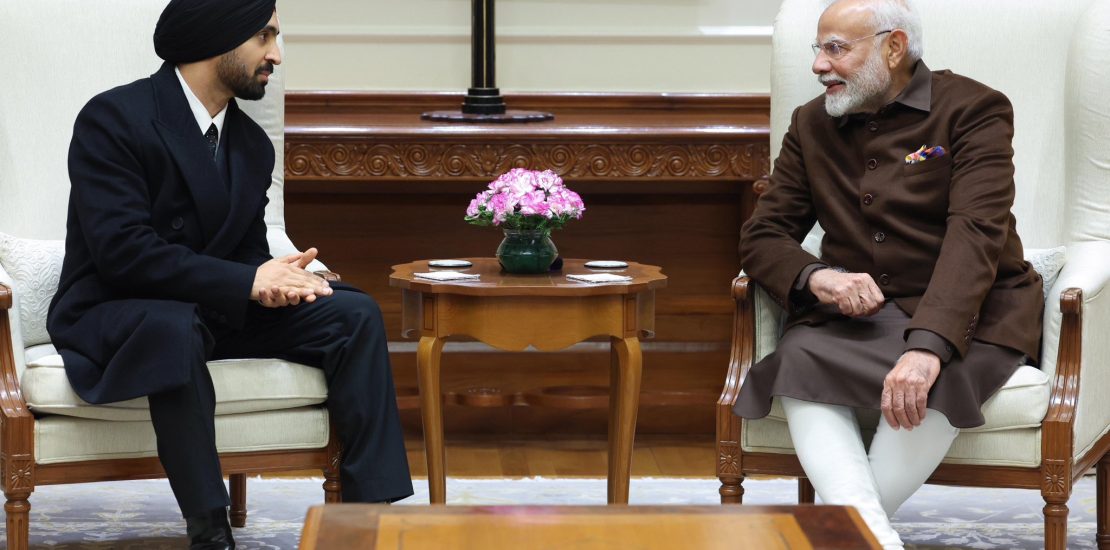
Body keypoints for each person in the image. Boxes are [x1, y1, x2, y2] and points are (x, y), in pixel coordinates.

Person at [46, 1, 413, 547]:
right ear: (220, 37)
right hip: (115, 308)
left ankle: (365, 519)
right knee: (173, 327)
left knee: (352, 311)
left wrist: (278, 274)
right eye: (265, 37)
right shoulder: (113, 118)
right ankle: (210, 527)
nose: (276, 56)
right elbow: (123, 252)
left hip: (209, 308)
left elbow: (242, 252)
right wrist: (246, 280)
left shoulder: (250, 144)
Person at [732, 0, 1043, 548]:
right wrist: (816, 278)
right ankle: (868, 538)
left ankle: (847, 537)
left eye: (836, 48)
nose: (818, 66)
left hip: (971, 307)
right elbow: (763, 235)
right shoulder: (810, 124)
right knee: (799, 357)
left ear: (893, 47)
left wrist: (927, 347)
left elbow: (976, 233)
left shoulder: (974, 109)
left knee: (938, 375)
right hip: (859, 314)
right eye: (817, 49)